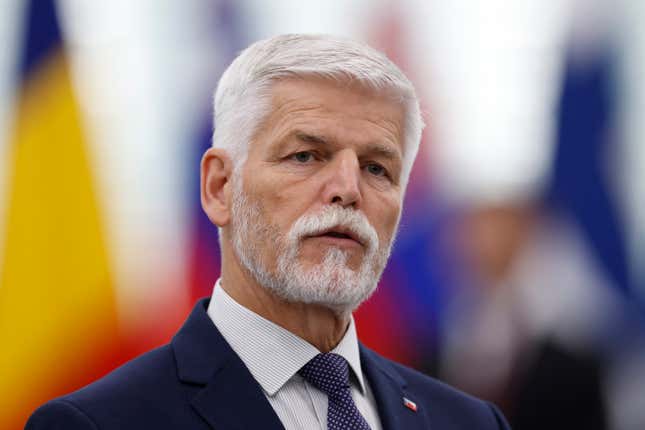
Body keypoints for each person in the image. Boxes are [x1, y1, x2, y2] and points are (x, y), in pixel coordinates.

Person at [26, 34, 510, 430]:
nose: (348, 189)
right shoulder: (99, 423)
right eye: (306, 156)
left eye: (377, 168)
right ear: (219, 187)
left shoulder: (470, 421)